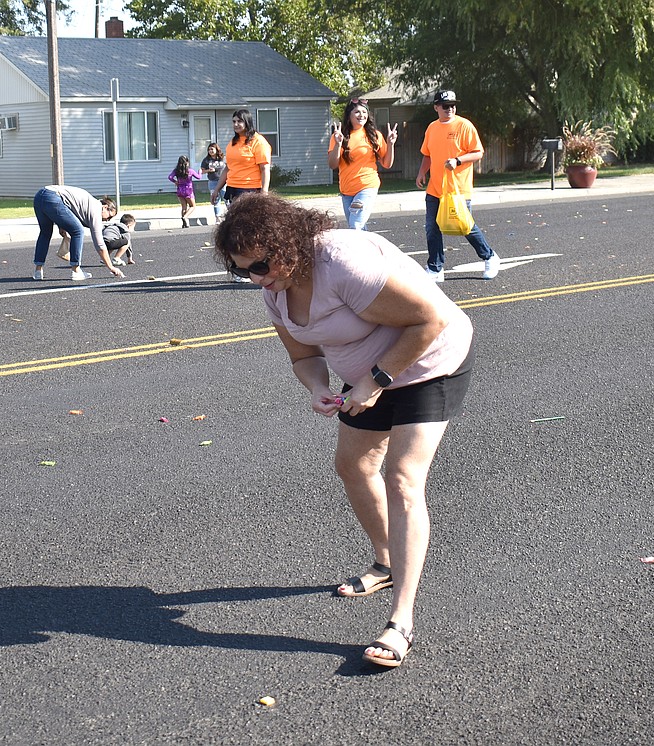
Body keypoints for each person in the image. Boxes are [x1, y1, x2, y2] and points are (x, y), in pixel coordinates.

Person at [213, 193, 474, 669]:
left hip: (430, 362)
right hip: (365, 378)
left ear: (288, 243)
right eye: (243, 270)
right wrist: (316, 387)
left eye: (262, 264)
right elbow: (303, 356)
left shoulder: (342, 262)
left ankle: (401, 622)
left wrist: (375, 380)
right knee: (353, 465)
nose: (257, 277)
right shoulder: (274, 290)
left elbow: (429, 319)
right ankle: (386, 561)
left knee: (402, 478)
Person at [415, 89, 501, 282]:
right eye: (445, 106)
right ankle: (435, 268)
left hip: (457, 189)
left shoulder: (464, 126)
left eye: (453, 105)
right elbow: (427, 153)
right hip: (435, 188)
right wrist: (422, 172)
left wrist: (458, 160)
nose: (450, 109)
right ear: (436, 107)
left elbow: (478, 152)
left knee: (464, 226)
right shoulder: (432, 128)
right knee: (432, 228)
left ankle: (490, 257)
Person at [213, 108, 273, 282]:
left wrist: (264, 193)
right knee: (233, 231)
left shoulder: (258, 142)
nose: (236, 124)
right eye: (233, 122)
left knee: (247, 232)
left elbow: (264, 168)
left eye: (239, 121)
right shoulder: (232, 143)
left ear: (247, 122)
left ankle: (255, 267)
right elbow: (228, 168)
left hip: (251, 191)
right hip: (233, 189)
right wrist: (217, 189)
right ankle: (240, 269)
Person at [328, 98, 398, 230]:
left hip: (367, 186)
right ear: (349, 115)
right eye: (357, 112)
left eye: (364, 112)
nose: (362, 115)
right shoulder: (339, 136)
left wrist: (391, 144)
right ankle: (369, 251)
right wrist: (338, 144)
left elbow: (387, 163)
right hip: (347, 191)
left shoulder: (375, 135)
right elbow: (332, 164)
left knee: (355, 226)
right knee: (359, 229)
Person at [31, 185, 125, 281]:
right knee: (78, 231)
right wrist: (111, 267)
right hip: (53, 197)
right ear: (105, 207)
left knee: (45, 233)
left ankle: (38, 271)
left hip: (40, 196)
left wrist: (61, 225)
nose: (106, 220)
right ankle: (76, 271)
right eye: (109, 216)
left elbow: (67, 206)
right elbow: (99, 244)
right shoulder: (96, 209)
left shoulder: (89, 203)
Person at [168, 156, 203, 228]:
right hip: (188, 190)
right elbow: (199, 177)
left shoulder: (176, 171)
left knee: (184, 206)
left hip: (180, 190)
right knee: (192, 206)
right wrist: (200, 171)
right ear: (187, 162)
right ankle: (185, 217)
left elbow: (170, 177)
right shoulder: (190, 171)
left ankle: (184, 223)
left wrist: (175, 181)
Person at [200, 143, 227, 222]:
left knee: (226, 198)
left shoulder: (223, 158)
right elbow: (201, 171)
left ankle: (230, 215)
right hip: (213, 181)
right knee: (215, 199)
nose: (210, 151)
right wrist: (208, 170)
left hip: (223, 181)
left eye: (212, 149)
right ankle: (217, 218)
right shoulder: (206, 160)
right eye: (209, 149)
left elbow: (230, 167)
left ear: (217, 149)